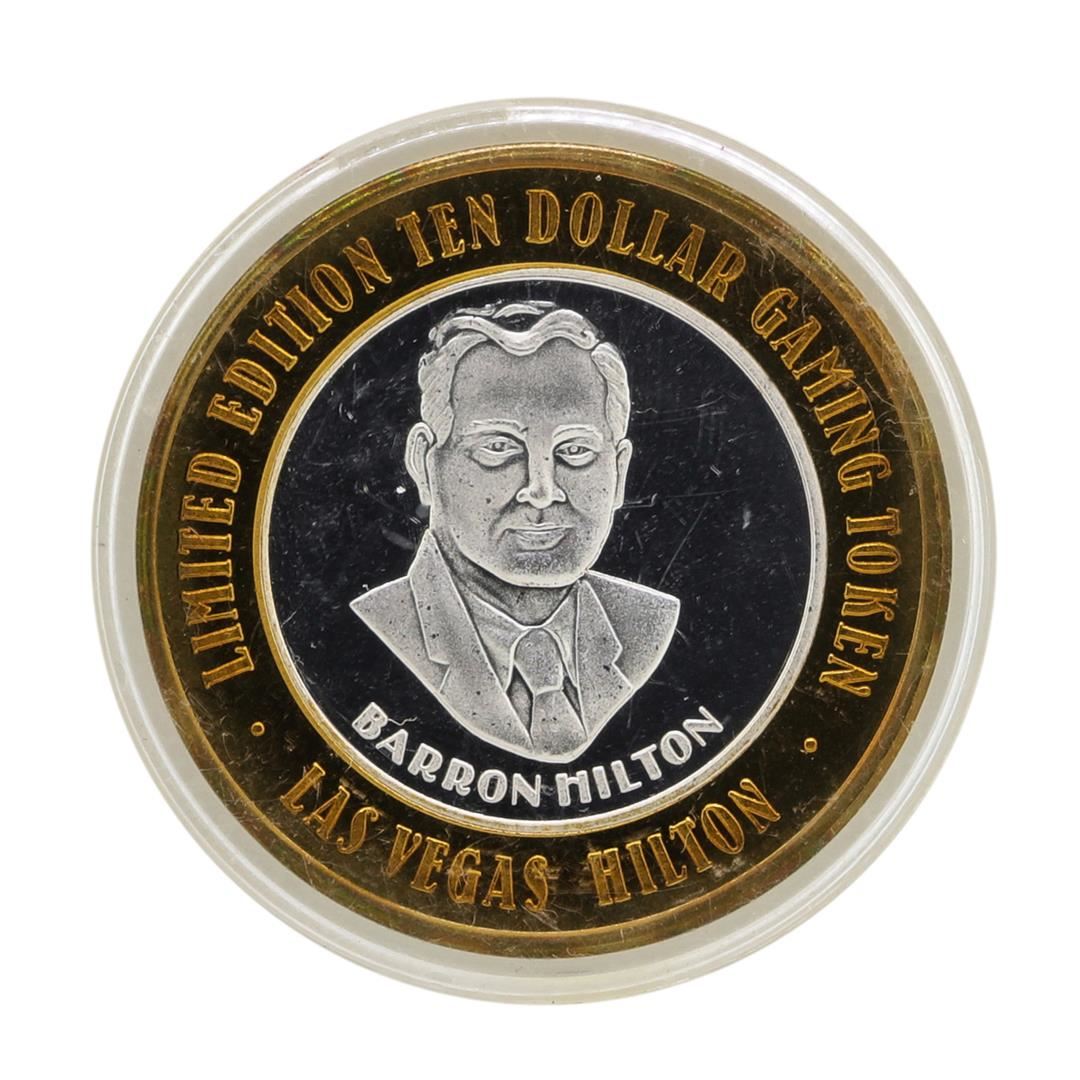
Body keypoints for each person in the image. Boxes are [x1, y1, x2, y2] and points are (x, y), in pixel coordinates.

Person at [351, 301, 679, 763]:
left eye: (575, 450)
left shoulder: (652, 624)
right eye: (498, 447)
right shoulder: (370, 635)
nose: (542, 491)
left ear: (619, 471)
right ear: (424, 465)